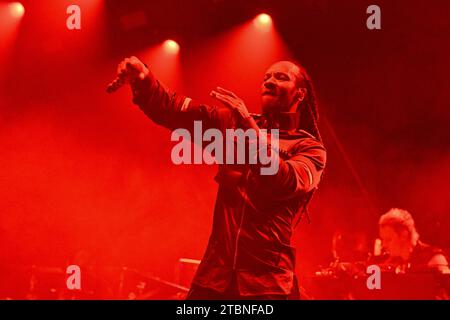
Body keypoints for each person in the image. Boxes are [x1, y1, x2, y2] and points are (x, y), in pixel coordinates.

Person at [112, 56, 327, 299]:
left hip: (266, 284)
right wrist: (144, 80)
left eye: (281, 77)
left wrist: (248, 125)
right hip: (215, 278)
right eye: (266, 77)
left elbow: (282, 181)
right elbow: (176, 111)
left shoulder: (309, 148)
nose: (269, 81)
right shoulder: (232, 124)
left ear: (300, 95)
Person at [375, 208, 449, 273]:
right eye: (383, 239)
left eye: (388, 239)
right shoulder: (391, 263)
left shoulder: (434, 260)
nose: (384, 245)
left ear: (404, 235)